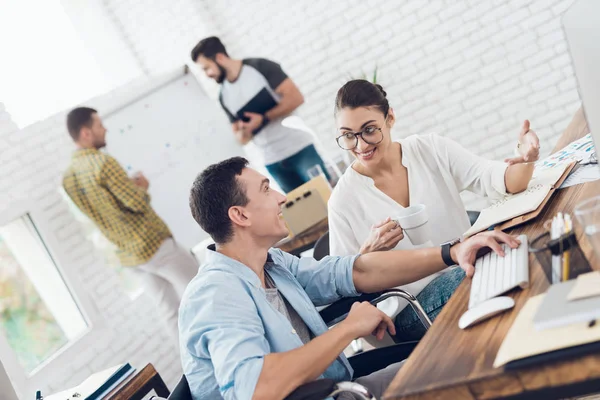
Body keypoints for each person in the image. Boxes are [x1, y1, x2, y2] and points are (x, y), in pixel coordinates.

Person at [180, 156, 519, 399]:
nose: (282, 197)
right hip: (335, 392)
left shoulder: (271, 263)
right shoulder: (216, 295)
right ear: (239, 215)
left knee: (458, 353)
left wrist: (452, 252)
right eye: (266, 190)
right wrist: (348, 328)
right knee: (463, 366)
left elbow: (353, 271)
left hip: (338, 383)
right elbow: (257, 389)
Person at [328, 80, 540, 341]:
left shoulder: (429, 150)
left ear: (390, 118)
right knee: (508, 263)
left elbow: (503, 180)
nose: (360, 146)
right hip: (410, 308)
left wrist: (526, 157)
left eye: (370, 130)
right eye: (349, 135)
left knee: (520, 252)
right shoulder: (342, 201)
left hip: (466, 264)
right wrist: (367, 255)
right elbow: (342, 286)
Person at [62, 107, 198, 342]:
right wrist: (142, 186)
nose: (105, 129)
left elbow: (101, 213)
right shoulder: (102, 162)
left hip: (128, 255)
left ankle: (194, 367)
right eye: (99, 125)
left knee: (169, 311)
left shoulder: (69, 178)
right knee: (203, 287)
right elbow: (136, 202)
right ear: (85, 133)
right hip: (152, 243)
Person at [190, 36, 330, 193]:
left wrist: (264, 118)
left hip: (300, 149)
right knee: (304, 214)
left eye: (206, 68)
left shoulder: (260, 67)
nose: (207, 74)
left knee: (327, 199)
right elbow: (240, 138)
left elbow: (296, 98)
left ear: (220, 58)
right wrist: (245, 129)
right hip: (273, 163)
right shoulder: (224, 96)